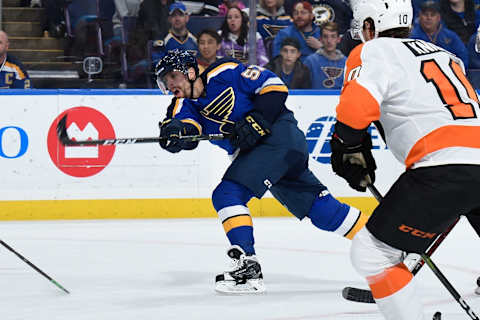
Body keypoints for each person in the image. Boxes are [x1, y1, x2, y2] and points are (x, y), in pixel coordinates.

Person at [155, 49, 369, 294]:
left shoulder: (224, 72)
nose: (170, 84)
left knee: (228, 195)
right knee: (321, 210)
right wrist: (175, 135)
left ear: (190, 71)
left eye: (173, 76)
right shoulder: (183, 105)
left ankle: (248, 267)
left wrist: (257, 120)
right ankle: (386, 241)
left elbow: (275, 87)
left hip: (279, 137)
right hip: (270, 154)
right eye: (165, 80)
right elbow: (187, 130)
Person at [329, 0, 480, 318]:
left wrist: (348, 146)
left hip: (443, 167)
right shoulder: (446, 55)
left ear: (369, 26)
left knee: (373, 253)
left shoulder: (375, 50)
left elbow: (355, 110)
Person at [411, 1, 469, 67]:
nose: (428, 18)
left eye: (432, 15)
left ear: (438, 17)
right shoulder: (412, 37)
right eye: (425, 14)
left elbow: (463, 59)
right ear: (419, 16)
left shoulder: (451, 36)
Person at [303, 21, 346, 89]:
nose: (329, 40)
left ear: (338, 39)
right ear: (320, 39)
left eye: (333, 36)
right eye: (325, 37)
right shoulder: (311, 61)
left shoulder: (346, 63)